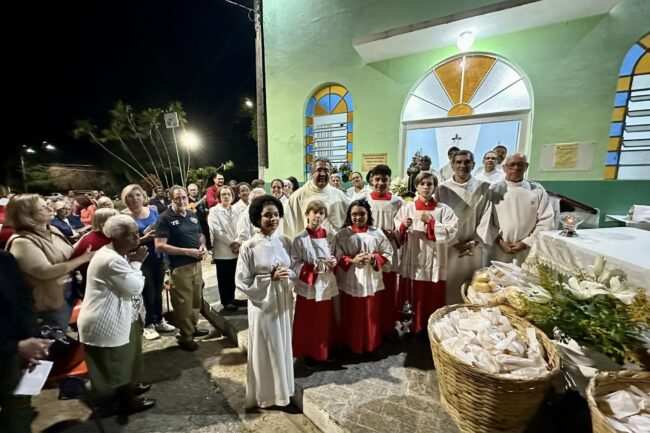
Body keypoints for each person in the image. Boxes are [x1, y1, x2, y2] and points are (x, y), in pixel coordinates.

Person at [77, 215, 155, 416]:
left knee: (128, 356)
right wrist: (136, 264)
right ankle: (126, 401)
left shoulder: (114, 253)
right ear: (117, 237)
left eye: (138, 233)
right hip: (105, 319)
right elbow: (134, 288)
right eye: (132, 235)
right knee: (117, 362)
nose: (138, 238)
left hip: (119, 317)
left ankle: (129, 388)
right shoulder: (111, 260)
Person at [235, 195, 295, 408]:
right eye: (267, 215)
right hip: (263, 304)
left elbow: (294, 269)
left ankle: (283, 392)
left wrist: (289, 274)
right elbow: (242, 280)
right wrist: (269, 278)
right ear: (257, 218)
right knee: (267, 346)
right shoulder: (249, 246)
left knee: (282, 344)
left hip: (283, 302)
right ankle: (267, 396)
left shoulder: (285, 241)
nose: (273, 219)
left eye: (276, 215)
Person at [5, 194, 95, 328]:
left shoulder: (52, 229)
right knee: (52, 342)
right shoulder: (22, 242)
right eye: (44, 207)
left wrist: (88, 237)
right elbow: (45, 271)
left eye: (48, 205)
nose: (51, 208)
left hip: (66, 294)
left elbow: (65, 253)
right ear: (26, 214)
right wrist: (82, 259)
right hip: (46, 304)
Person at [395, 171, 458, 333]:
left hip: (435, 259)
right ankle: (413, 325)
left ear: (435, 187)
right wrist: (403, 225)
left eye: (430, 184)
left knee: (431, 294)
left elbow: (451, 232)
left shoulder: (444, 210)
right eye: (422, 184)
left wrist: (431, 222)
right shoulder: (407, 208)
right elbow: (396, 233)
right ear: (416, 186)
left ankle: (432, 327)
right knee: (415, 294)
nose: (426, 187)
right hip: (414, 258)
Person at [0, 251, 53, 433]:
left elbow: (24, 298)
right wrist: (15, 346)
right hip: (10, 348)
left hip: (14, 356)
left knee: (18, 407)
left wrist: (32, 337)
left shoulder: (4, 258)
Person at [334, 199, 393, 354]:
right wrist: (352, 260)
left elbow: (388, 252)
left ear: (368, 214)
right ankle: (352, 344)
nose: (358, 217)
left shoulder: (376, 233)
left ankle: (370, 344)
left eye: (362, 214)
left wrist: (373, 258)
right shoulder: (342, 234)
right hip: (351, 279)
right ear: (349, 216)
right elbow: (336, 256)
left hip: (370, 279)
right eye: (354, 214)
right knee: (352, 313)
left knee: (370, 313)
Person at [155, 186, 209, 351]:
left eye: (184, 197)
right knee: (183, 303)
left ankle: (192, 328)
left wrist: (203, 246)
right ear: (171, 199)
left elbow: (200, 235)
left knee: (196, 300)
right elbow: (159, 245)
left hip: (196, 265)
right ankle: (185, 337)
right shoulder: (165, 218)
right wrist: (187, 251)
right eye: (177, 198)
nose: (181, 201)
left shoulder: (192, 215)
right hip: (179, 268)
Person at [435, 151, 492, 304]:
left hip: (473, 247)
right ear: (452, 165)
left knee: (471, 285)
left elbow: (488, 216)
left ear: (473, 165)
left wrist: (476, 240)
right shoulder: (442, 189)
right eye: (458, 162)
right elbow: (437, 218)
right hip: (449, 245)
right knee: (448, 284)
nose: (462, 165)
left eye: (467, 162)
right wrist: (454, 242)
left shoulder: (484, 188)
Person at [120, 184, 174, 340]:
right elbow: (122, 243)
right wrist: (143, 238)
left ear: (143, 196)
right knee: (147, 291)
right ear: (125, 198)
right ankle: (148, 324)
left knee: (159, 289)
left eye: (137, 194)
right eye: (130, 195)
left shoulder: (153, 210)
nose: (134, 198)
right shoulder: (123, 217)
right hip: (139, 258)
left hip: (158, 254)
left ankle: (159, 319)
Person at [290, 200, 338, 364]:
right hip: (309, 285)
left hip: (325, 283)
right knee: (308, 319)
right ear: (307, 215)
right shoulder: (299, 238)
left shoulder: (330, 236)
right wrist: (311, 268)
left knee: (324, 319)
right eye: (315, 212)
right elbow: (294, 263)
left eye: (321, 213)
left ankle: (324, 349)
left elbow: (335, 255)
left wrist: (333, 261)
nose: (318, 216)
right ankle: (309, 351)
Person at [488, 153, 555, 264]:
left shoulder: (537, 190)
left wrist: (526, 242)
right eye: (511, 165)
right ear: (504, 168)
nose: (516, 168)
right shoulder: (493, 190)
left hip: (528, 248)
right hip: (498, 247)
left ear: (526, 167)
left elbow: (546, 220)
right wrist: (499, 241)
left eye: (520, 164)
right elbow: (486, 220)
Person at [365, 164, 403, 335]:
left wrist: (394, 232)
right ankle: (372, 327)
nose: (380, 183)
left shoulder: (397, 202)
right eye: (377, 179)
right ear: (372, 180)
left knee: (388, 290)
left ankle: (388, 326)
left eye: (384, 180)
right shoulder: (365, 201)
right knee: (372, 289)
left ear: (389, 181)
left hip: (390, 249)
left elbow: (403, 226)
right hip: (371, 251)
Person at [283, 156, 349, 238]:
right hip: (307, 245)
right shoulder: (297, 196)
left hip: (334, 245)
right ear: (312, 173)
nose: (322, 174)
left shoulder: (339, 195)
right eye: (319, 170)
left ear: (330, 174)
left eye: (326, 170)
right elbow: (288, 227)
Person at [208, 186, 242, 311]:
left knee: (234, 276)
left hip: (236, 249)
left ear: (232, 196)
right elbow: (217, 231)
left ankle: (232, 298)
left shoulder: (237, 210)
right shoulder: (214, 211)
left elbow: (241, 228)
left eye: (228, 194)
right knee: (224, 278)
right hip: (223, 250)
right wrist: (232, 243)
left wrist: (238, 241)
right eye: (223, 194)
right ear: (218, 197)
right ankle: (226, 301)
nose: (226, 196)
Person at [71, 208, 120, 296]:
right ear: (103, 224)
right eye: (116, 221)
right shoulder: (94, 242)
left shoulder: (101, 236)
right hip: (100, 291)